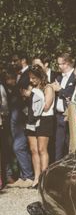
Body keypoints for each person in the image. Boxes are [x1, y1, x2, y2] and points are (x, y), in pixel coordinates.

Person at [7, 55, 35, 187]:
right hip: (15, 114)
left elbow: (27, 95)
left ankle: (28, 175)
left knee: (19, 146)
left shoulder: (28, 74)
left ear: (23, 60)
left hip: (22, 116)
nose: (13, 63)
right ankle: (24, 175)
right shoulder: (18, 75)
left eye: (15, 61)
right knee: (19, 146)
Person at [25, 66, 54, 187]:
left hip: (45, 119)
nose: (31, 80)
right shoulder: (31, 87)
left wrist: (35, 94)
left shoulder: (48, 88)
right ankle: (36, 178)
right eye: (30, 78)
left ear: (40, 76)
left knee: (42, 149)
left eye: (34, 78)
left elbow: (46, 106)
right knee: (33, 149)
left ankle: (44, 178)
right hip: (31, 119)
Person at [51, 52, 76, 161]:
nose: (59, 66)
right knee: (58, 144)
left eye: (61, 64)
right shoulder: (59, 77)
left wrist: (60, 90)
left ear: (67, 63)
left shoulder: (75, 77)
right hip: (58, 115)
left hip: (69, 115)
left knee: (68, 142)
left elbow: (70, 94)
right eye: (58, 64)